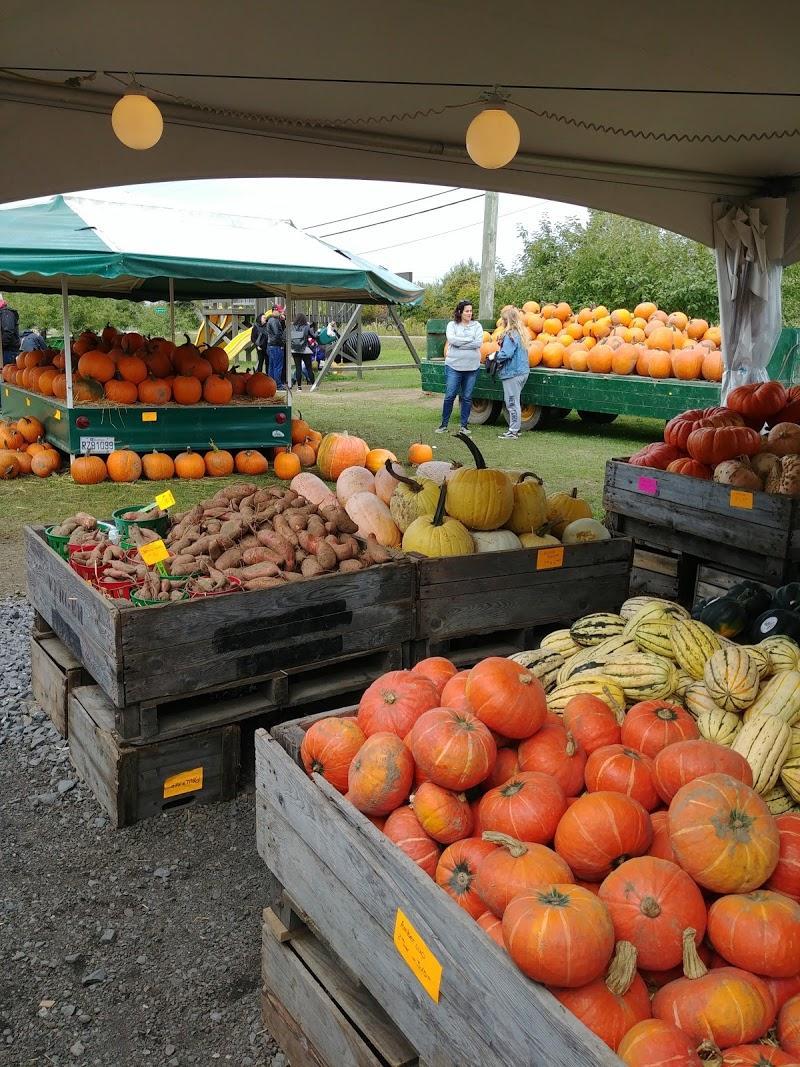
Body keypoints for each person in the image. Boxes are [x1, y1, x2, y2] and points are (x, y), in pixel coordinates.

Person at [438, 300, 483, 435]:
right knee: (450, 395)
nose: (470, 313)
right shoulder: (452, 325)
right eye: (467, 311)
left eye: (470, 311)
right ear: (460, 312)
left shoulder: (477, 326)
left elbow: (478, 343)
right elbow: (452, 340)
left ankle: (464, 426)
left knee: (467, 397)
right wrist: (470, 340)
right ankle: (443, 425)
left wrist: (461, 343)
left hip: (472, 367)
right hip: (454, 366)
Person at [490, 305, 531, 440]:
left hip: (512, 373)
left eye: (503, 319)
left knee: (512, 403)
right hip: (523, 371)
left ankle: (513, 431)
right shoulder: (521, 333)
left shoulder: (510, 335)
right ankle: (516, 428)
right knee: (516, 401)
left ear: (506, 320)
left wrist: (493, 356)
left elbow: (506, 354)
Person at [289, 312, 315, 389]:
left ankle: (299, 386)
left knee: (298, 368)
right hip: (305, 350)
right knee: (309, 368)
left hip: (294, 350)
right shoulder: (307, 326)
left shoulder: (291, 326)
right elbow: (314, 336)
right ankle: (314, 385)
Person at [266, 305, 286, 385]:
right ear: (274, 310)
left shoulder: (271, 320)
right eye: (279, 311)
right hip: (276, 346)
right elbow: (277, 333)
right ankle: (278, 384)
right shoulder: (274, 320)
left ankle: (271, 383)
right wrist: (282, 342)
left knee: (272, 366)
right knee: (277, 366)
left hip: (271, 345)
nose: (280, 312)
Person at [0, 294, 20, 366]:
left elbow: (8, 332)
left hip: (8, 352)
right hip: (5, 351)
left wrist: (1, 346)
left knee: (7, 374)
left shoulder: (6, 313)